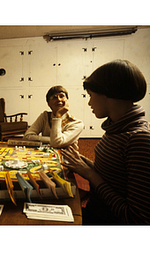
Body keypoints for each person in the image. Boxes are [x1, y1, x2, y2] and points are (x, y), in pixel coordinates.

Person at [61, 59, 150, 225]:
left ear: (106, 93)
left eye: (91, 95)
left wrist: (89, 173)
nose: (89, 102)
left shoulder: (139, 140)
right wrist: (84, 163)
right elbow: (115, 177)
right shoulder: (116, 129)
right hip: (96, 212)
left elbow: (137, 219)